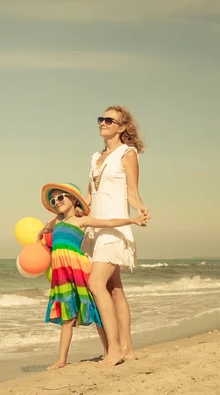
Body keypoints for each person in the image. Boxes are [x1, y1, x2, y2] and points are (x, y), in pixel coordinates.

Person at [39, 182, 148, 371]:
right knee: (67, 316)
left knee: (96, 311)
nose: (57, 202)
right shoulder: (55, 222)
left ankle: (110, 350)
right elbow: (41, 232)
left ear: (73, 199)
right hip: (61, 274)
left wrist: (132, 220)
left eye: (61, 197)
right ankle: (61, 360)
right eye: (53, 200)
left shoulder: (82, 220)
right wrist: (41, 239)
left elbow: (108, 223)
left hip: (79, 269)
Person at [81, 105, 150, 368]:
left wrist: (140, 209)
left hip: (115, 228)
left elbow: (132, 192)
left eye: (109, 120)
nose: (103, 122)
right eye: (101, 118)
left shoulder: (127, 153)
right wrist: (67, 213)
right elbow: (90, 196)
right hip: (96, 228)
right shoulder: (95, 157)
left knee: (96, 284)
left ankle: (114, 350)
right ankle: (128, 349)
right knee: (115, 289)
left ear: (122, 127)